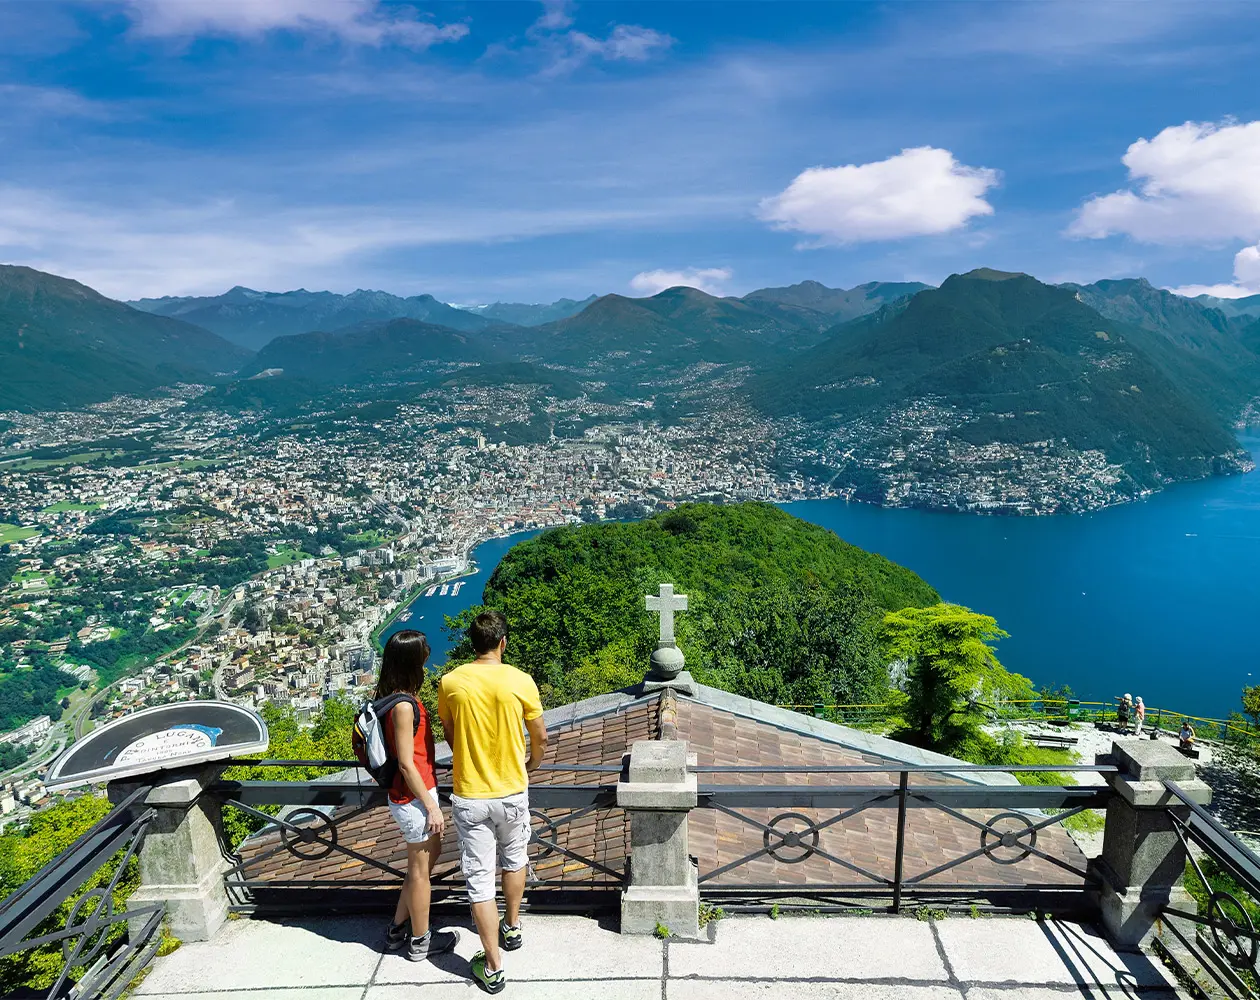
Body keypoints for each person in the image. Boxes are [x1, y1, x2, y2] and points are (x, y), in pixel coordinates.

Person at [439, 610, 547, 995]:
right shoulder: (520, 680)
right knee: (516, 858)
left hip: (470, 794)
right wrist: (528, 766)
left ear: (473, 644)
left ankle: (493, 965)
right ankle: (512, 927)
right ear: (503, 642)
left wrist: (470, 756)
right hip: (513, 789)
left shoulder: (451, 682)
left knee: (480, 880)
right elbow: (540, 737)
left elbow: (451, 733)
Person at [377, 630, 457, 962]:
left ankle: (397, 929)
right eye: (424, 653)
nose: (428, 656)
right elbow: (408, 765)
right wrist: (431, 806)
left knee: (420, 865)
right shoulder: (403, 707)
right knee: (421, 872)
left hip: (414, 797)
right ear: (413, 660)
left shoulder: (397, 697)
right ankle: (420, 942)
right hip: (412, 800)